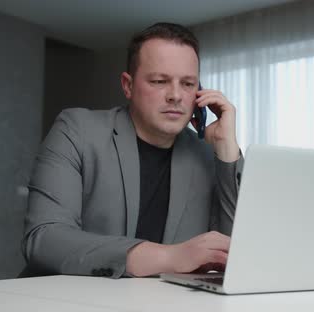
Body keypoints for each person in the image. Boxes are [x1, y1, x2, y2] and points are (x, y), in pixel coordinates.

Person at [21, 22, 243, 279]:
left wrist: (227, 152)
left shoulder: (205, 155)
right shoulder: (76, 130)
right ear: (127, 85)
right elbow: (43, 238)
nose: (175, 95)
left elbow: (236, 254)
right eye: (160, 81)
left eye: (188, 84)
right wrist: (169, 257)